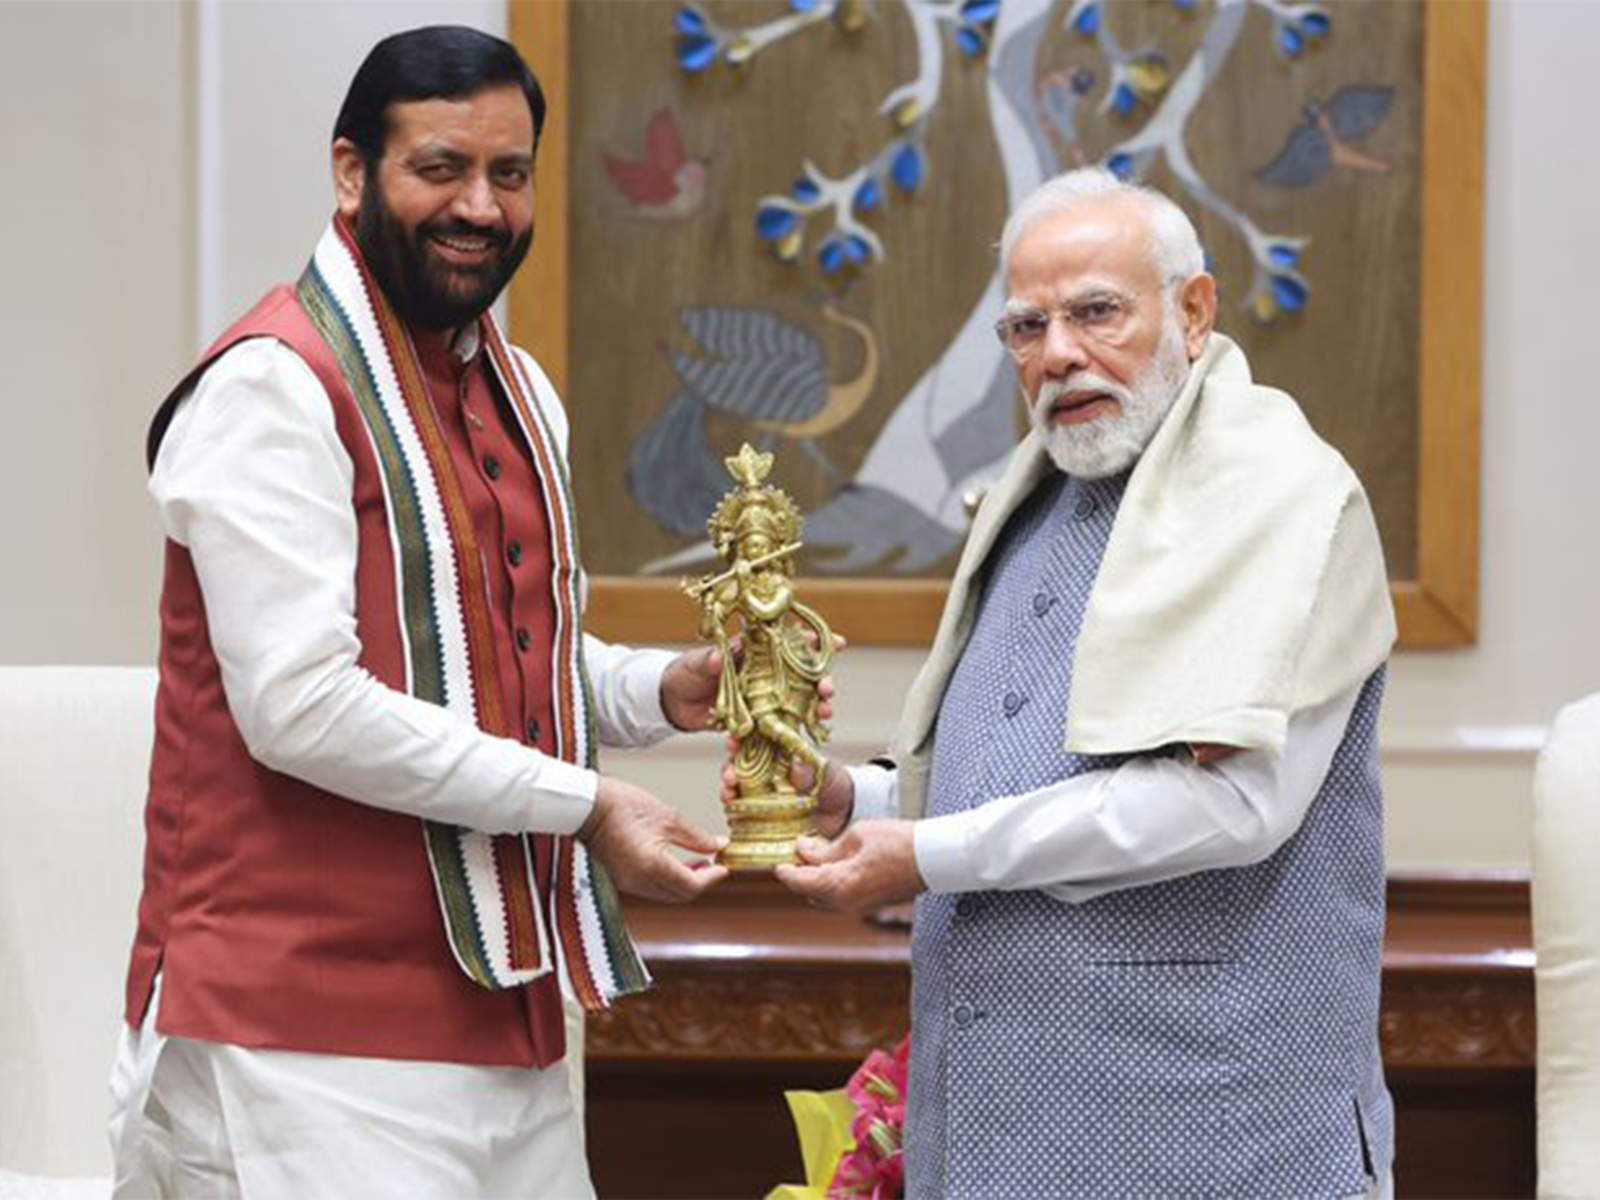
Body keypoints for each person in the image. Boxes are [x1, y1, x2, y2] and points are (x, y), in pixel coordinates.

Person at [110, 26, 743, 1199]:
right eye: (439, 168)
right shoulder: (270, 385)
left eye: (509, 173)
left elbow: (498, 659)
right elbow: (299, 706)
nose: (481, 206)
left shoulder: (515, 385)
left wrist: (659, 690)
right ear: (352, 173)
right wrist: (588, 803)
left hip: (503, 1007)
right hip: (303, 1029)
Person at [773, 167, 1398, 1198]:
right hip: (987, 1139)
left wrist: (926, 853)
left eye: (1096, 312)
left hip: (1215, 1139)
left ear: (1193, 311)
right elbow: (1024, 772)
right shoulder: (1031, 502)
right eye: (1026, 327)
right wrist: (857, 800)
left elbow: (1230, 803)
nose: (1058, 353)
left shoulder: (1281, 495)